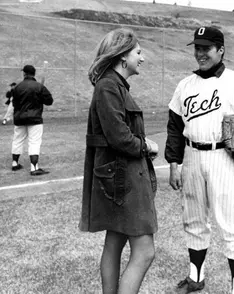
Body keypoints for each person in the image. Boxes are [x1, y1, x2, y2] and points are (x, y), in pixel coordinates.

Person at [165, 26, 234, 294]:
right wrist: (173, 164)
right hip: (191, 156)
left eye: (206, 48)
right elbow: (174, 128)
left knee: (229, 223)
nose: (200, 53)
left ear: (221, 50)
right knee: (193, 219)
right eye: (197, 48)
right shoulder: (185, 86)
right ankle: (195, 277)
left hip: (224, 157)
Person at [78, 28, 159, 294]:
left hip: (120, 176)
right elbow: (119, 137)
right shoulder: (108, 86)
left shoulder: (112, 85)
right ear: (123, 56)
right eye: (138, 52)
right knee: (145, 251)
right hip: (121, 178)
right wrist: (146, 146)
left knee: (114, 241)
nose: (142, 58)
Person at [11, 64, 53, 175]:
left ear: (24, 73)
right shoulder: (39, 87)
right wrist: (40, 98)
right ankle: (34, 168)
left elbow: (14, 103)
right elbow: (49, 101)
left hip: (19, 118)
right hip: (35, 119)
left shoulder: (17, 87)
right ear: (33, 74)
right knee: (34, 142)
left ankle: (14, 163)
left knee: (17, 140)